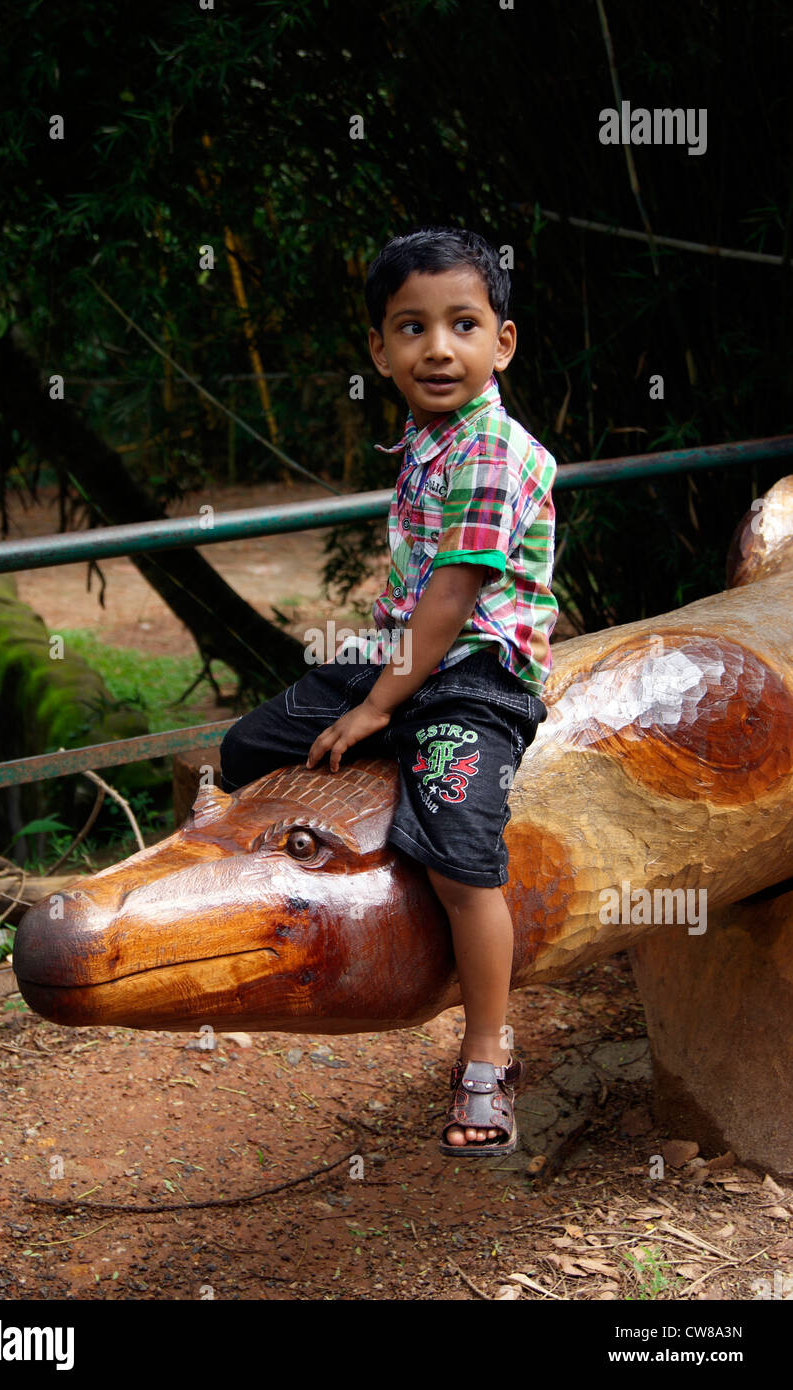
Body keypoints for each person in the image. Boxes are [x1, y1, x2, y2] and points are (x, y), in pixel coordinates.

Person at [220, 225, 558, 1156]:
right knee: (248, 748)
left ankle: (487, 1053)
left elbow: (453, 596)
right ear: (380, 348)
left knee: (458, 856)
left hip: (473, 676)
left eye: (462, 324)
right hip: (397, 656)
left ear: (504, 341)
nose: (437, 349)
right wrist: (373, 692)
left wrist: (376, 710)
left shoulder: (496, 452)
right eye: (411, 328)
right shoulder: (425, 437)